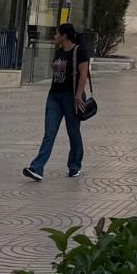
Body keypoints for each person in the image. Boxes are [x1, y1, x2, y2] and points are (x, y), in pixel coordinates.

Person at [23, 23, 91, 181]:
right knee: (49, 134)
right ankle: (37, 168)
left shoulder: (79, 51)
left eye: (56, 34)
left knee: (73, 132)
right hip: (54, 96)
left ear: (64, 36)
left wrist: (78, 96)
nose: (54, 37)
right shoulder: (59, 52)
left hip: (71, 97)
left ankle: (74, 166)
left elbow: (83, 75)